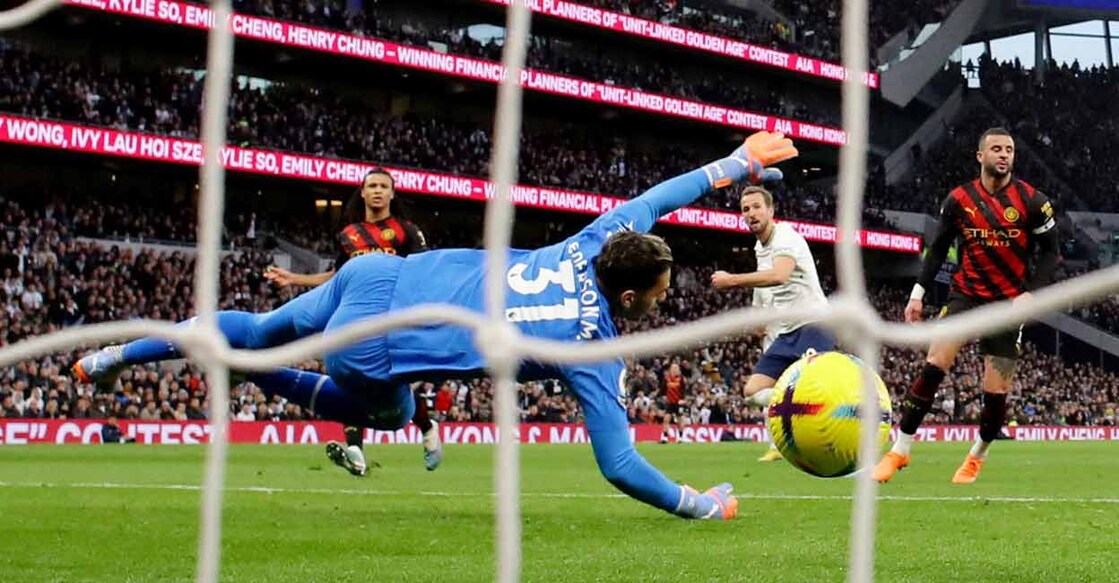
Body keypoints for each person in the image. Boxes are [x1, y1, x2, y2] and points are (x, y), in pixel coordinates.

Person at [72, 130, 799, 519]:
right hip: (382, 349)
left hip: (376, 277)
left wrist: (736, 162)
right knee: (388, 411)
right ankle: (245, 369)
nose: (661, 302)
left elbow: (656, 197)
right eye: (659, 292)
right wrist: (698, 504)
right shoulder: (592, 352)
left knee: (260, 325)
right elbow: (618, 465)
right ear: (633, 293)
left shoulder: (594, 239)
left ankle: (120, 353)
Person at [873, 127, 1059, 484]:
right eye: (996, 149)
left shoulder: (1033, 201)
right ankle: (900, 450)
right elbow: (939, 248)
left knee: (996, 392)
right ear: (980, 156)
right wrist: (918, 292)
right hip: (965, 296)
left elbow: (1052, 252)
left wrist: (1032, 292)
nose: (1004, 155)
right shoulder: (959, 200)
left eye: (1009, 150)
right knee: (934, 363)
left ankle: (977, 456)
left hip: (1007, 305)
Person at [264, 168, 440, 477]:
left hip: (392, 317)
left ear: (391, 193)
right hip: (356, 316)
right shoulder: (349, 235)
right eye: (372, 185)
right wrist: (294, 279)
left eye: (383, 186)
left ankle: (426, 426)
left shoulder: (405, 231)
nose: (377, 191)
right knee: (351, 377)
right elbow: (336, 278)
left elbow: (425, 270)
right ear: (362, 192)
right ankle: (356, 450)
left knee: (391, 381)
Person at [710, 185, 832, 462]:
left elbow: (778, 276)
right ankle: (795, 412)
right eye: (745, 209)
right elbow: (766, 286)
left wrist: (732, 280)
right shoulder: (759, 247)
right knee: (752, 391)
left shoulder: (785, 236)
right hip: (787, 331)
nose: (751, 213)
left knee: (819, 387)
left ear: (771, 211)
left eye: (756, 207)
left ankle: (845, 424)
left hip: (814, 323)